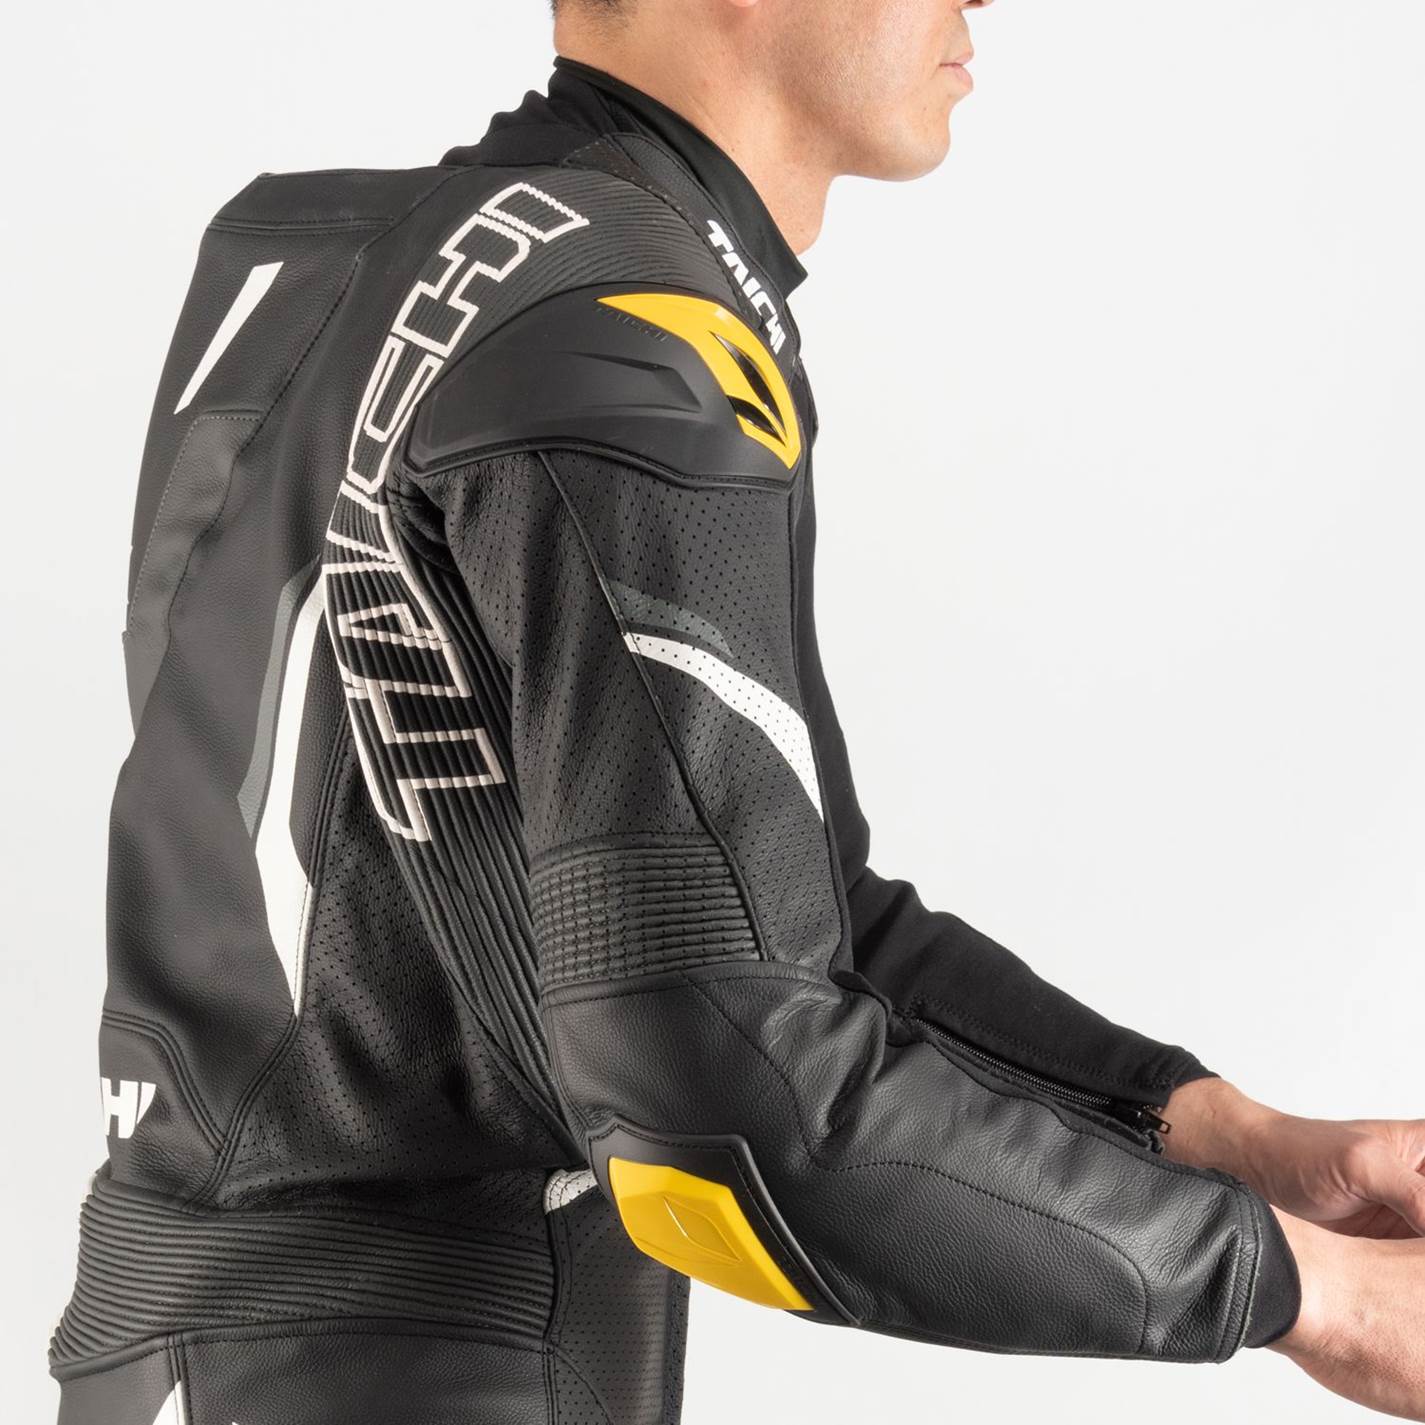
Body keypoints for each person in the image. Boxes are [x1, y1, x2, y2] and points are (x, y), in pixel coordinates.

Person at [50, 0, 1425, 1421]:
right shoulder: (621, 324)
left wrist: (1220, 1138)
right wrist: (1309, 1294)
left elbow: (800, 930)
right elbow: (725, 1093)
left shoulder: (327, 261)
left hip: (188, 1359)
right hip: (405, 1371)